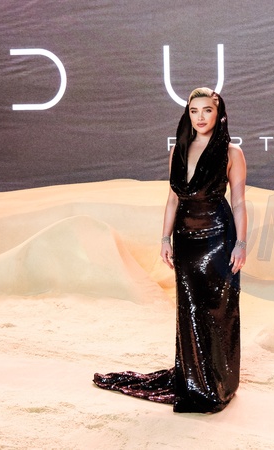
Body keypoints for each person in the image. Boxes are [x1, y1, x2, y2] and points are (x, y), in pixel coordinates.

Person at [94, 87, 247, 413]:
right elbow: (173, 198)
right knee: (190, 308)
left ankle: (220, 381)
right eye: (194, 111)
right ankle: (194, 380)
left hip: (218, 237)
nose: (200, 117)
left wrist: (242, 243)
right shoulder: (178, 149)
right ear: (187, 114)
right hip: (185, 238)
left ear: (219, 114)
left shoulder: (232, 153)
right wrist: (164, 239)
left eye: (207, 110)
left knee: (218, 309)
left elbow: (239, 202)